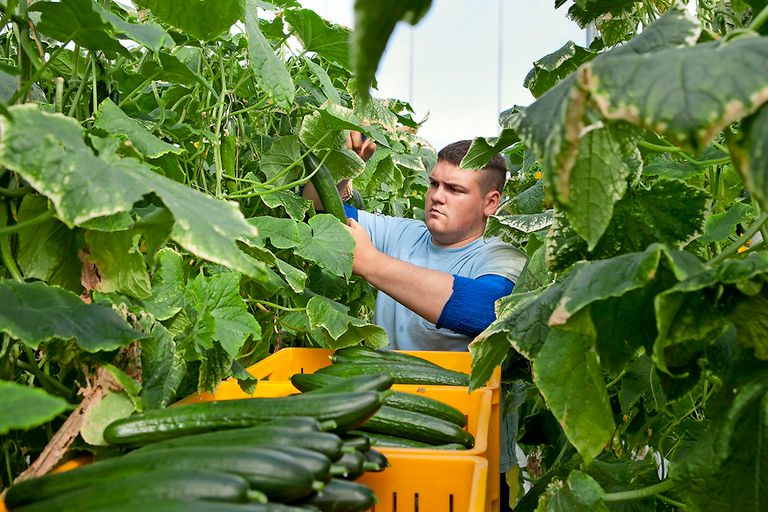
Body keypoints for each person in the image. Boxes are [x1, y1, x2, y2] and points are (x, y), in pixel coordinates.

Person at [306, 132, 526, 350]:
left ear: (490, 202)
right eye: (434, 184)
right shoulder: (401, 232)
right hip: (380, 382)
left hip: (454, 386)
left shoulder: (502, 257)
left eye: (454, 189)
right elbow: (317, 212)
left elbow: (490, 310)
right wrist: (343, 163)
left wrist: (372, 264)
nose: (437, 196)